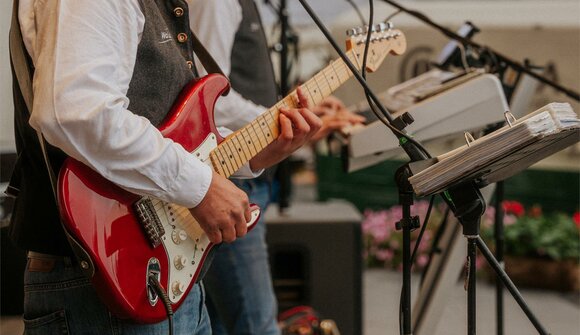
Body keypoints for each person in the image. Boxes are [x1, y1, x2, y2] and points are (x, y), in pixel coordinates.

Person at [10, 1, 322, 334]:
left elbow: (167, 122)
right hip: (103, 286)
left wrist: (256, 154)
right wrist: (200, 186)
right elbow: (77, 111)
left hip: (161, 281)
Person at [189, 1, 364, 334]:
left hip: (243, 174)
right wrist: (283, 120)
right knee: (257, 323)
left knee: (219, 321)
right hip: (229, 184)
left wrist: (298, 112)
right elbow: (212, 100)